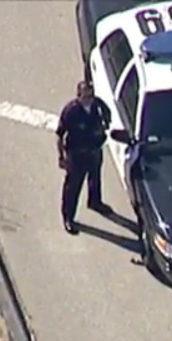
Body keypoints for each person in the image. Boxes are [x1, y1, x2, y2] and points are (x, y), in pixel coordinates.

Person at [55, 80, 112, 234]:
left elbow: (108, 116)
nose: (88, 99)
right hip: (77, 155)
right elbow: (60, 135)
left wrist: (104, 127)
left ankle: (95, 202)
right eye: (85, 96)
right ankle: (68, 217)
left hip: (94, 150)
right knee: (72, 188)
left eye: (91, 96)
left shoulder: (98, 106)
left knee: (95, 178)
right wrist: (61, 157)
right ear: (78, 96)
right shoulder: (71, 112)